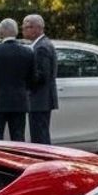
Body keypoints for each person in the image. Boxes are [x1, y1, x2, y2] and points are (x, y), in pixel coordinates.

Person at [0, 18, 33, 141]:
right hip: (19, 101)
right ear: (16, 32)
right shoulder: (27, 52)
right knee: (18, 137)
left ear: (1, 32)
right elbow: (31, 78)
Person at [23, 14, 58, 144]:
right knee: (40, 134)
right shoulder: (42, 45)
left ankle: (44, 162)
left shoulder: (41, 47)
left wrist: (25, 82)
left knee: (39, 136)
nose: (24, 30)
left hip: (39, 99)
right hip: (41, 98)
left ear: (37, 28)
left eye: (27, 27)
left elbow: (42, 75)